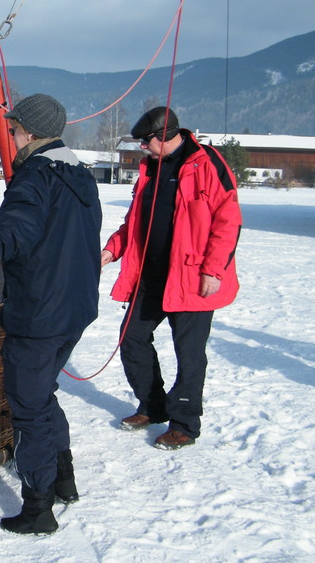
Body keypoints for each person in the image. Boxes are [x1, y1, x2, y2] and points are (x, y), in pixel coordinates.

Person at [0, 93, 102, 536]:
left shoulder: (36, 175)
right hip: (74, 307)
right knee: (42, 394)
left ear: (27, 131)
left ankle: (38, 507)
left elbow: (18, 223)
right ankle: (64, 480)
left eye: (13, 129)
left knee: (28, 407)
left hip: (40, 312)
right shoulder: (79, 174)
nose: (11, 135)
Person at [101, 106, 241, 449]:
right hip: (150, 276)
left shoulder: (207, 163)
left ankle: (184, 425)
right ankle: (153, 406)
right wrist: (112, 250)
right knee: (131, 340)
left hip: (193, 279)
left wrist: (214, 270)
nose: (142, 147)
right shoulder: (150, 168)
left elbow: (228, 221)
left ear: (165, 135)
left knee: (189, 355)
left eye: (145, 141)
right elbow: (135, 221)